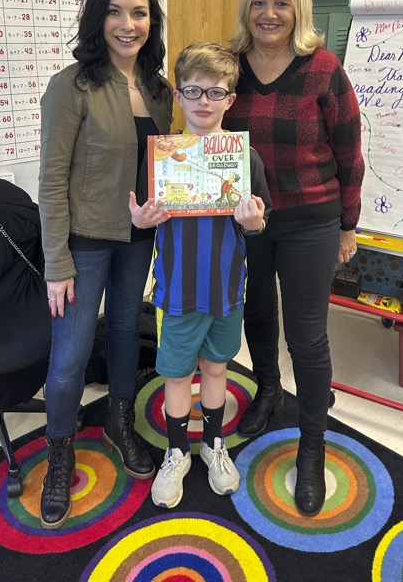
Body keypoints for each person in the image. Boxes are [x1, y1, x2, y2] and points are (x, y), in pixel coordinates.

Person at [222, 0, 364, 517]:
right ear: (246, 8)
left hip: (311, 218)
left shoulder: (323, 67)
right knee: (256, 314)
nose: (269, 13)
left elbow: (350, 153)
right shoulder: (229, 66)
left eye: (281, 2)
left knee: (307, 337)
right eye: (259, 1)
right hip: (246, 220)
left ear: (298, 9)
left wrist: (348, 226)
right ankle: (266, 390)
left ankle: (312, 444)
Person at [37, 0, 173, 529]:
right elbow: (51, 178)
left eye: (139, 13)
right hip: (84, 242)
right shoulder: (72, 85)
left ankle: (118, 421)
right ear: (98, 18)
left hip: (140, 237)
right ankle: (59, 451)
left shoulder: (162, 89)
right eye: (115, 11)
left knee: (123, 330)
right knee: (68, 356)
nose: (128, 24)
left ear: (151, 22)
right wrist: (56, 261)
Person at [129, 41, 271, 509]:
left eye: (215, 92)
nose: (204, 102)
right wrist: (140, 221)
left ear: (231, 99)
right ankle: (176, 452)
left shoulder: (246, 159)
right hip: (179, 291)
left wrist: (253, 223)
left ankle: (213, 445)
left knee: (216, 369)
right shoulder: (159, 157)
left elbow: (258, 225)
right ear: (178, 95)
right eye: (193, 91)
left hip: (228, 289)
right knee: (176, 375)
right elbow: (142, 218)